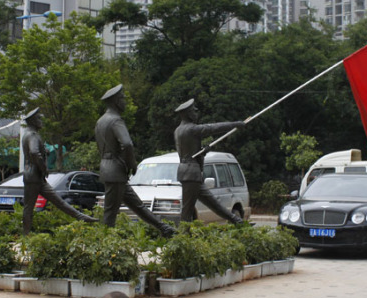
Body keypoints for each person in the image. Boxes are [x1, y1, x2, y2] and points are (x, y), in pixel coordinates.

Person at [94, 84, 175, 237]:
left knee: (137, 205)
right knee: (110, 214)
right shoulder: (115, 120)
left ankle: (165, 229)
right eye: (122, 99)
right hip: (116, 170)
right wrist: (131, 163)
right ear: (116, 101)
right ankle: (104, 244)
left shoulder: (100, 122)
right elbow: (127, 144)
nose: (124, 102)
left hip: (108, 169)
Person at [21, 108, 98, 234]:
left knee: (57, 200)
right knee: (29, 208)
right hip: (34, 176)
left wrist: (44, 153)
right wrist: (44, 168)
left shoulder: (28, 134)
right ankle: (25, 235)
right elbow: (34, 152)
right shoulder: (32, 135)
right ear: (33, 121)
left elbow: (34, 152)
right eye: (38, 118)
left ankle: (81, 217)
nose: (41, 121)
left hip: (35, 177)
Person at [173, 98, 245, 224]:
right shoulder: (192, 129)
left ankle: (237, 221)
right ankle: (183, 235)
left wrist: (202, 152)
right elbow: (214, 128)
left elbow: (190, 154)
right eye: (193, 110)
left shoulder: (178, 130)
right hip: (191, 174)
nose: (196, 112)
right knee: (187, 212)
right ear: (188, 114)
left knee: (214, 204)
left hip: (189, 173)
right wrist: (235, 124)